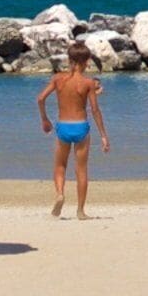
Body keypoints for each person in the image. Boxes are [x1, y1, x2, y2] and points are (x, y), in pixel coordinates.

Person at [38, 45, 108, 217]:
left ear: (69, 60)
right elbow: (95, 110)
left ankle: (60, 194)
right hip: (81, 127)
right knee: (81, 170)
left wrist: (45, 120)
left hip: (63, 126)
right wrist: (104, 136)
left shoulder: (58, 79)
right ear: (86, 62)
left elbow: (40, 98)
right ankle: (80, 211)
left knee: (60, 165)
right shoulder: (88, 83)